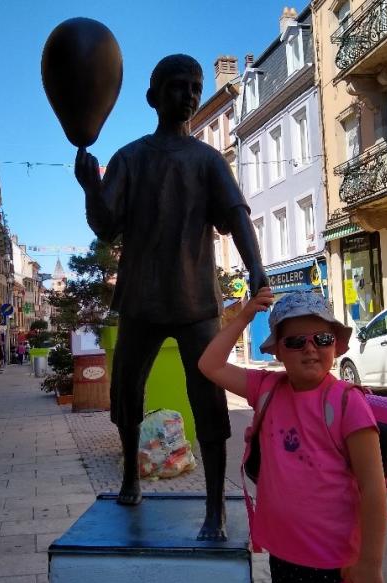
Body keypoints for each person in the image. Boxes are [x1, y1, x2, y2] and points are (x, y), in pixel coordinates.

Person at [75, 54, 268, 541]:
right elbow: (104, 225)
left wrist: (258, 268)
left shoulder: (207, 160)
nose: (189, 95)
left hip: (195, 300)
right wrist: (89, 187)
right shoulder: (129, 158)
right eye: (179, 86)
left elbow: (238, 215)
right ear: (153, 96)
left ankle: (214, 506)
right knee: (125, 391)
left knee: (208, 399)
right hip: (141, 297)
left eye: (196, 87)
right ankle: (130, 477)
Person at [198, 289, 387, 583]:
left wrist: (370, 563)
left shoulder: (347, 403)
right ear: (278, 351)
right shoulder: (267, 388)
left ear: (335, 345)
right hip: (283, 554)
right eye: (296, 342)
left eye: (321, 339)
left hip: (334, 562)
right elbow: (210, 364)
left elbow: (373, 488)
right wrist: (244, 316)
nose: (310, 349)